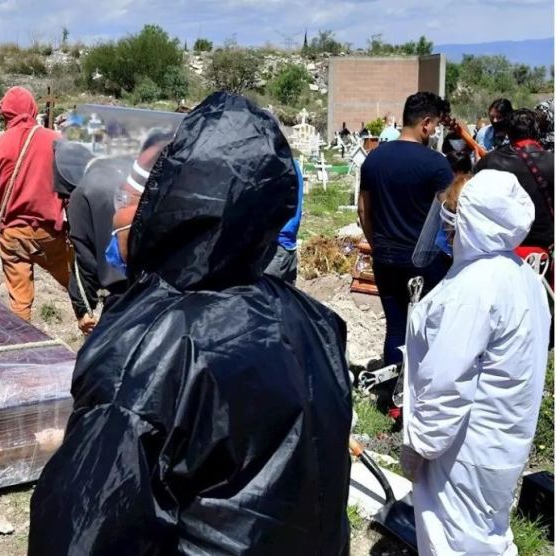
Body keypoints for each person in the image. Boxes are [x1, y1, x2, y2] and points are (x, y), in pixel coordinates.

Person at [29, 93, 353, 555]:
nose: (121, 212)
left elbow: (82, 532)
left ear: (170, 204)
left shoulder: (146, 352)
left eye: (132, 196)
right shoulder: (315, 321)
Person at [401, 170, 549, 555]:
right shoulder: (523, 277)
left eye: (452, 219)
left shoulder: (473, 288)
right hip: (501, 443)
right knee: (487, 536)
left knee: (453, 542)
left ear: (473, 225)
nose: (446, 230)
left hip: (462, 451)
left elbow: (446, 382)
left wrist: (419, 446)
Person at [358, 92, 453, 366]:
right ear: (425, 123)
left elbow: (363, 210)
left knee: (396, 325)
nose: (435, 131)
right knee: (428, 327)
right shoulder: (436, 164)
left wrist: (377, 245)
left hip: (386, 258)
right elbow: (448, 216)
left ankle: (392, 393)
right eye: (435, 125)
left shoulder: (374, 159)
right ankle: (420, 390)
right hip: (425, 260)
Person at [0, 86, 71, 321]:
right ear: (33, 109)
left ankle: (23, 348)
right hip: (49, 233)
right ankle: (91, 330)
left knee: (20, 303)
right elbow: (70, 190)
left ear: (5, 113)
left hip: (13, 236)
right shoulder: (56, 141)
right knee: (77, 285)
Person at [64, 135, 169, 335]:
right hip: (162, 291)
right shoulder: (147, 177)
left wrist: (83, 308)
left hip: (122, 295)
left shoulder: (83, 192)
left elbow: (84, 259)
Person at [474, 108, 554, 255]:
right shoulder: (552, 161)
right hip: (543, 250)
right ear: (536, 132)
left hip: (501, 249)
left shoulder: (490, 161)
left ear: (508, 132)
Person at [263, 160, 304, 284]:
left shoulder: (276, 166)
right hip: (288, 245)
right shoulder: (293, 164)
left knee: (266, 297)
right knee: (286, 298)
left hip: (276, 247)